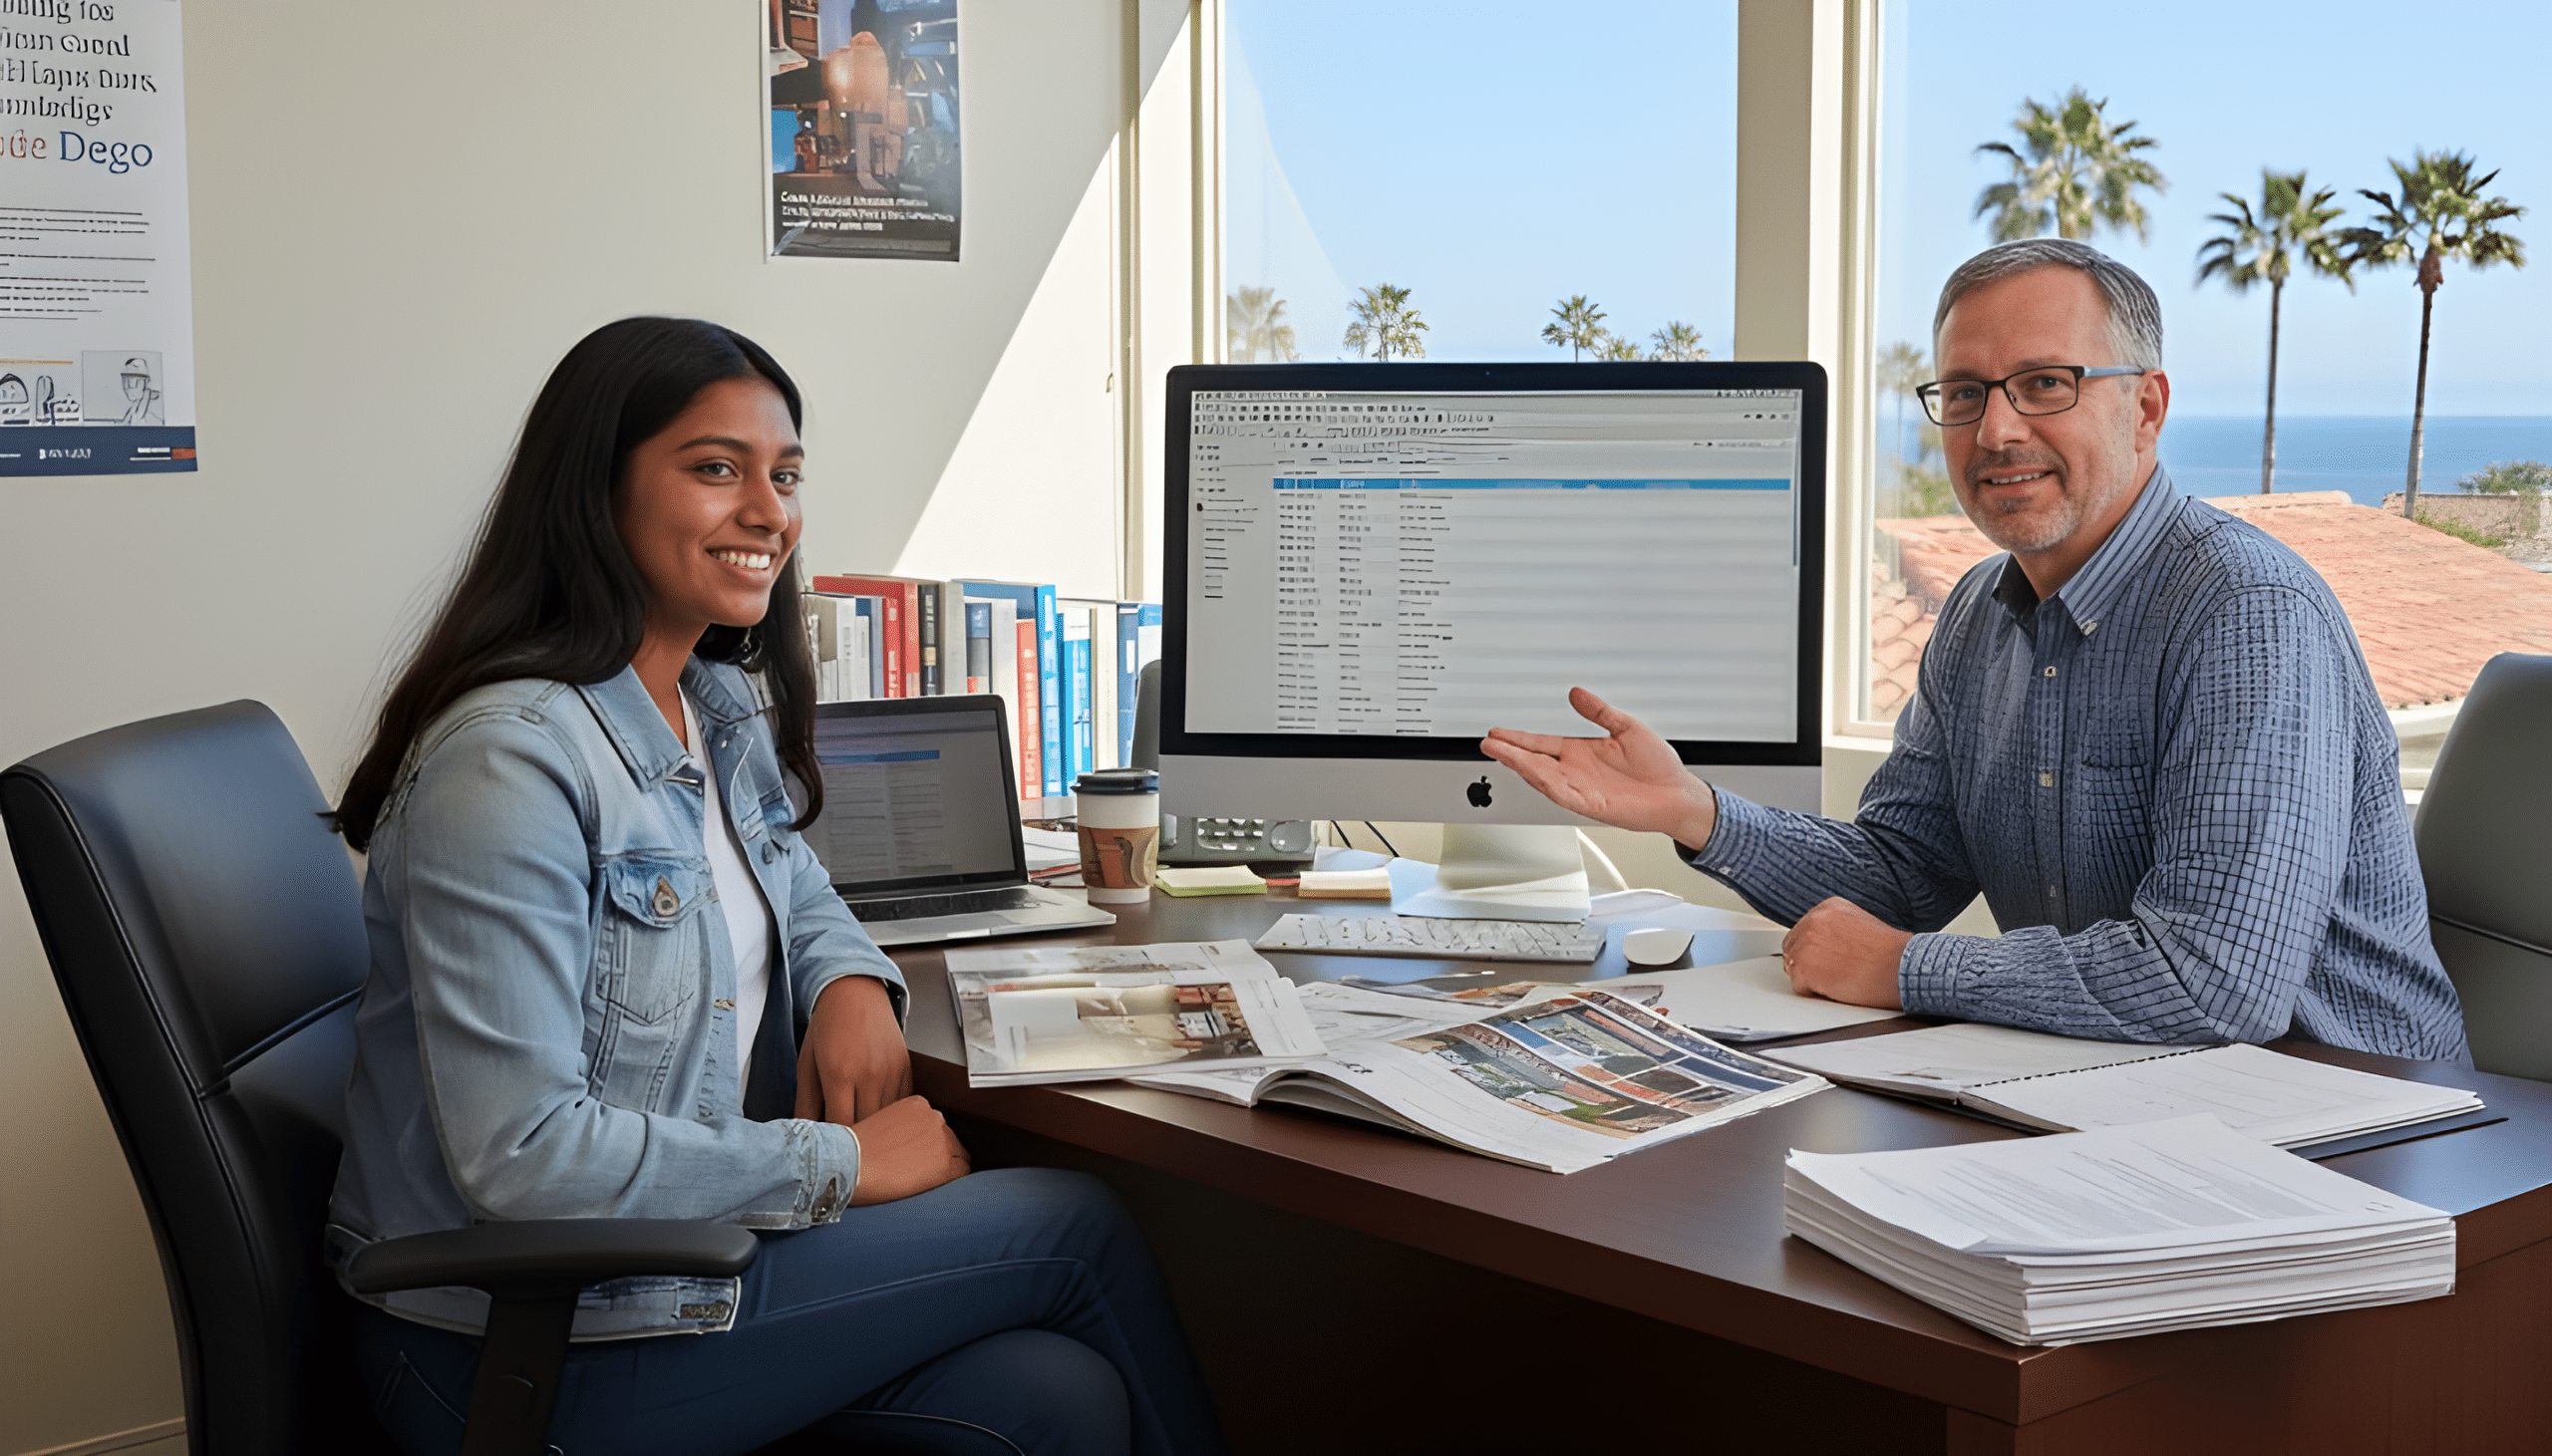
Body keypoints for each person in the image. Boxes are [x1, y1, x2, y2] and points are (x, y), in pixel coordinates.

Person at [326, 316, 1226, 1455]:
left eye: (784, 474)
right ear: (591, 490)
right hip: (517, 1345)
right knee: (1074, 1226)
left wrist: (851, 977)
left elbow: (787, 873)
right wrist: (841, 1164)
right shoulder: (509, 762)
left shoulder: (707, 701)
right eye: (716, 469)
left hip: (659, 1283)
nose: (770, 513)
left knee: (1051, 1396)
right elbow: (524, 1157)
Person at [1483, 238, 2465, 1063]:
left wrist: (1902, 968)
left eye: (2044, 384)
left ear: (2147, 407)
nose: (1995, 430)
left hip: (2367, 1124)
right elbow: (1900, 876)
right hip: (2127, 1092)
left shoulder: (2245, 608)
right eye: (1962, 393)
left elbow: (2215, 984)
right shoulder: (1975, 617)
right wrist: (1691, 809)